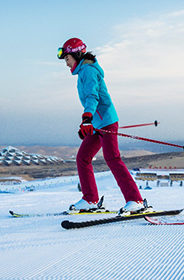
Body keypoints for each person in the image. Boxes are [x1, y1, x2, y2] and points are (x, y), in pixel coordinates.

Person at [58, 38, 148, 214]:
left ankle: (135, 200)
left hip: (106, 120)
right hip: (97, 123)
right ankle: (90, 199)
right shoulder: (82, 72)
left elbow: (93, 97)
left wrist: (87, 119)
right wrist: (88, 122)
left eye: (67, 59)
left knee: (112, 158)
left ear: (76, 54)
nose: (67, 63)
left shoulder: (89, 71)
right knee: (83, 157)